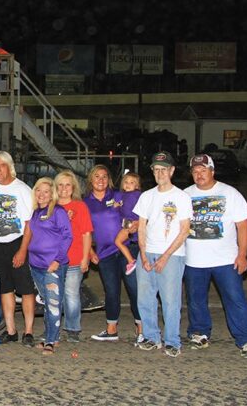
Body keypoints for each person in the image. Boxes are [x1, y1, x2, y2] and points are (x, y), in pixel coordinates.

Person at [184, 154, 247, 358]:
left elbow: (243, 226)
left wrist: (242, 255)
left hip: (226, 260)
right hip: (193, 260)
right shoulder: (184, 195)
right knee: (195, 299)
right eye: (195, 171)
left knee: (235, 299)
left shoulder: (230, 193)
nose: (199, 175)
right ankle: (199, 332)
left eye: (203, 170)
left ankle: (246, 339)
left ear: (212, 171)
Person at [134, 151, 192, 358]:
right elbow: (142, 227)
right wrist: (143, 255)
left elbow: (185, 230)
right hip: (147, 252)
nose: (160, 173)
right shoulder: (146, 196)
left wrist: (165, 256)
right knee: (145, 298)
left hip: (172, 255)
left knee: (170, 300)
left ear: (172, 170)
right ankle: (151, 336)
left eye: (164, 169)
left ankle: (172, 340)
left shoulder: (181, 197)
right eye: (156, 170)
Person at [84, 165, 142, 343]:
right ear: (91, 180)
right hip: (104, 253)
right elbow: (83, 231)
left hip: (127, 249)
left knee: (135, 289)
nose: (100, 180)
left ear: (108, 179)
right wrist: (90, 252)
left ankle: (142, 329)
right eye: (96, 176)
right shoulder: (86, 202)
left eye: (104, 176)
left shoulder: (119, 195)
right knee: (111, 291)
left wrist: (137, 224)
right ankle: (111, 329)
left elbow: (138, 211)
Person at [0, 151, 36, 346]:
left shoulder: (22, 189)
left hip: (17, 241)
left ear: (10, 166)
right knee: (5, 288)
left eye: (2, 165)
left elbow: (29, 223)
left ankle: (29, 331)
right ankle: (12, 330)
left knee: (25, 289)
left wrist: (23, 250)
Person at [24, 177, 72, 355]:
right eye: (38, 190)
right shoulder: (35, 212)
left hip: (53, 265)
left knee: (53, 303)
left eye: (46, 191)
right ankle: (52, 336)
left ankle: (50, 341)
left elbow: (68, 236)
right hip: (36, 265)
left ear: (51, 194)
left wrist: (57, 260)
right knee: (46, 301)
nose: (41, 195)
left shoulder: (58, 212)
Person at [54, 170, 93, 343]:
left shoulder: (80, 207)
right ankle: (52, 328)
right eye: (60, 185)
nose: (63, 188)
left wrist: (86, 257)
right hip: (52, 260)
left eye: (67, 185)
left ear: (73, 188)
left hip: (74, 259)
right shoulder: (50, 206)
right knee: (53, 296)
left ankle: (72, 328)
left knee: (71, 295)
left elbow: (86, 234)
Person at [114, 172, 142, 274]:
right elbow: (121, 210)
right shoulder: (122, 195)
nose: (128, 184)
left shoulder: (137, 195)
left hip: (131, 222)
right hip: (127, 222)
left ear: (137, 186)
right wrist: (117, 207)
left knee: (118, 241)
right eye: (126, 182)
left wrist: (140, 221)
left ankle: (131, 261)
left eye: (132, 182)